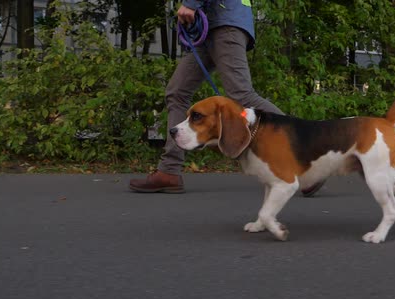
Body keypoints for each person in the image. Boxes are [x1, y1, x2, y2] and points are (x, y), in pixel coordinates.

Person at [129, 0, 324, 197]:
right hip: (211, 25)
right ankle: (169, 171)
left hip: (224, 23)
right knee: (177, 92)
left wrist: (190, 3)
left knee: (242, 95)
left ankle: (306, 160)